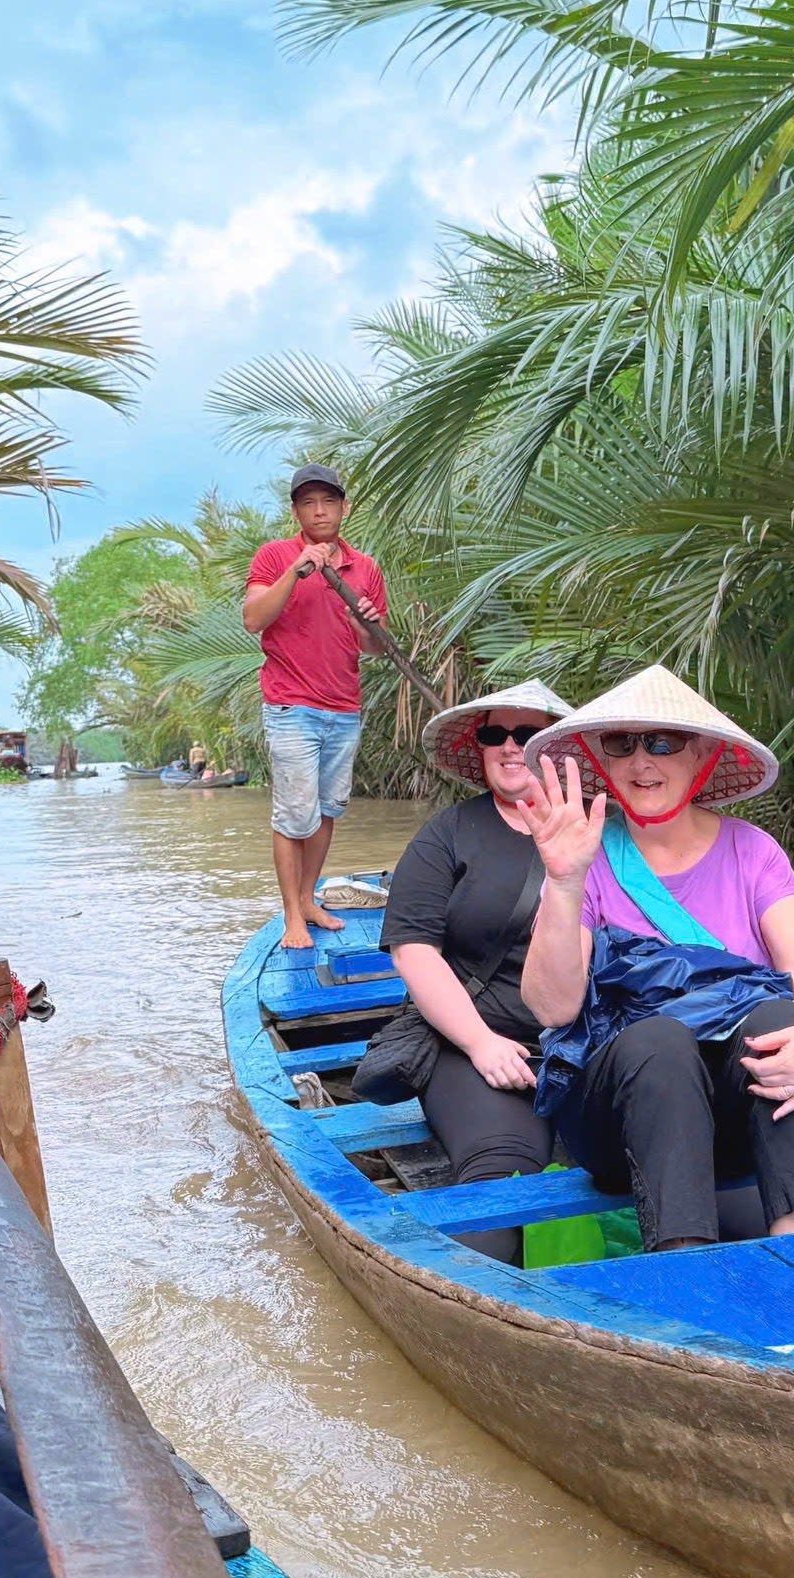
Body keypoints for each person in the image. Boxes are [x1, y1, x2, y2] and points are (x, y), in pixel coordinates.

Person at [518, 666, 794, 1253]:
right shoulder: (586, 859)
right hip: (622, 1115)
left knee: (783, 1022)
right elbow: (553, 1006)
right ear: (603, 759)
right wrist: (565, 880)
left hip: (734, 1114)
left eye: (662, 743)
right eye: (622, 744)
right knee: (662, 1041)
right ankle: (686, 1268)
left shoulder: (753, 851)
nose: (640, 762)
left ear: (700, 754)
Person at [380, 680, 574, 1264]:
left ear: (557, 750)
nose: (512, 747)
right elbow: (413, 951)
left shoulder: (597, 828)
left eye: (530, 734)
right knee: (501, 1168)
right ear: (481, 747)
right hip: (476, 1040)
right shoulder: (450, 833)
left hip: (585, 1043)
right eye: (496, 734)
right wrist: (482, 1043)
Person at [242, 463, 387, 950]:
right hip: (291, 706)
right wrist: (295, 571)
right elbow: (253, 618)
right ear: (296, 511)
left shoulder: (364, 568)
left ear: (344, 508)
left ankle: (308, 899)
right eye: (308, 503)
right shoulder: (274, 556)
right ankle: (291, 918)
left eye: (328, 501)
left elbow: (375, 648)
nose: (319, 510)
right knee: (293, 815)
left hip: (344, 706)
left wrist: (365, 620)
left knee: (328, 811)